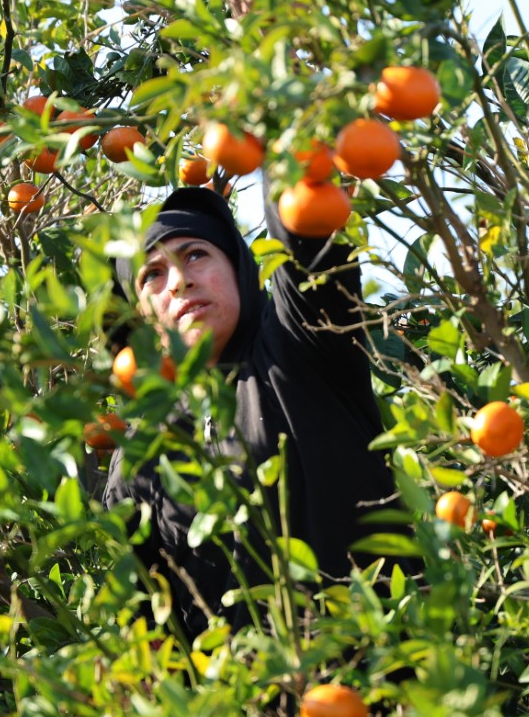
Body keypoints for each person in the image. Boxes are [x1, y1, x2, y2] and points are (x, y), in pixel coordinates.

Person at [104, 186, 407, 640]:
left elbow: (304, 215)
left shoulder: (300, 343)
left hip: (381, 667)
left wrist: (273, 146)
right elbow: (151, 631)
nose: (180, 281)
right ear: (139, 315)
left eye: (196, 255)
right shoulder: (139, 455)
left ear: (239, 265)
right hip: (243, 684)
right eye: (153, 275)